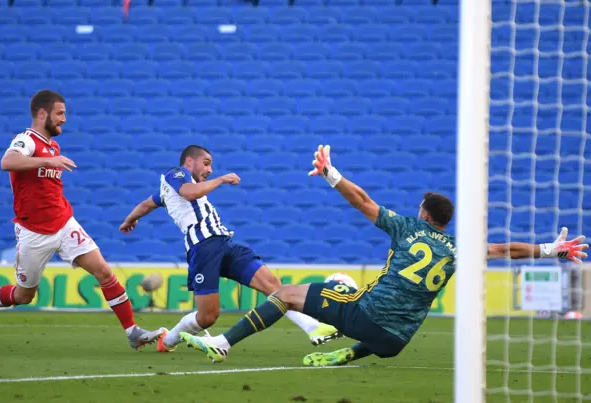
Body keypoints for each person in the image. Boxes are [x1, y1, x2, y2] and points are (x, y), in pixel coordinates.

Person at [178, 144, 589, 365]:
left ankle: (224, 344)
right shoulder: (456, 250)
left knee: (287, 295)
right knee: (383, 317)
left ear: (425, 215)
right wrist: (552, 248)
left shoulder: (408, 228)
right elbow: (504, 249)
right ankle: (346, 353)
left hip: (366, 316)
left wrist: (331, 173)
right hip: (395, 342)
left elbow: (362, 200)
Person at [0, 90, 163, 351]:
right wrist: (49, 159)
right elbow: (7, 161)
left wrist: (51, 160)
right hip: (33, 231)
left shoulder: (52, 146)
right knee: (24, 295)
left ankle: (132, 332)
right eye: (60, 113)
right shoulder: (26, 140)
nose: (64, 119)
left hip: (63, 222)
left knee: (103, 271)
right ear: (42, 113)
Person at [119, 145, 340, 352]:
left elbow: (147, 204)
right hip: (203, 248)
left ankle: (313, 328)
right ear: (189, 161)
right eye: (205, 163)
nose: (209, 169)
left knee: (272, 285)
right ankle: (168, 340)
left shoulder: (172, 191)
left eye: (211, 165)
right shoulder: (175, 175)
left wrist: (129, 220)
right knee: (208, 317)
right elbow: (188, 193)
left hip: (225, 244)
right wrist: (221, 179)